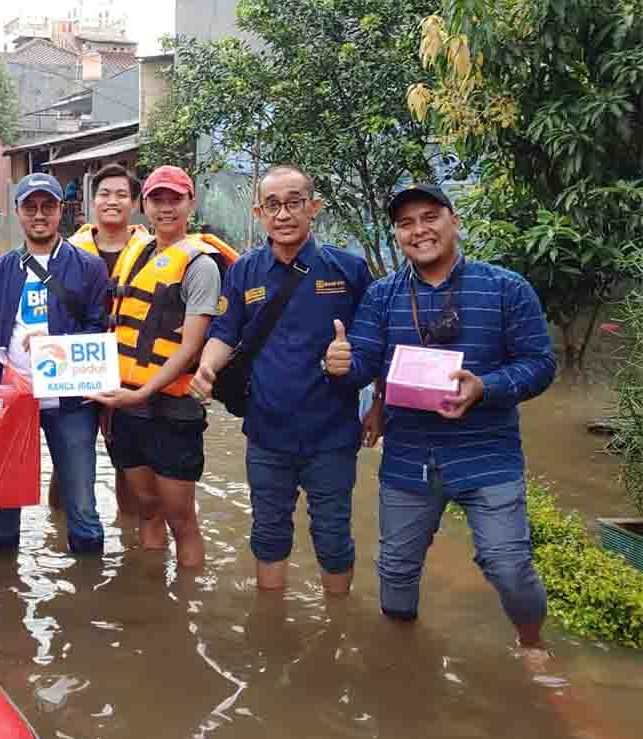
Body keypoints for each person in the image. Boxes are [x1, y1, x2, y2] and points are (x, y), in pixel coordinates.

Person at [324, 184, 555, 647]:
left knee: (509, 565)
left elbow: (540, 364)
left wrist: (485, 387)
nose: (419, 230)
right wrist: (341, 365)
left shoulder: (507, 288)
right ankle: (401, 650)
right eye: (406, 223)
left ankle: (532, 644)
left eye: (430, 217)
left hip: (487, 454)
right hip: (410, 455)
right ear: (397, 235)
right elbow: (366, 362)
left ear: (454, 221)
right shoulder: (383, 296)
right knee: (396, 568)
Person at [190, 165, 376, 594]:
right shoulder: (245, 271)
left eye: (294, 202)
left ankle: (338, 626)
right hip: (266, 432)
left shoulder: (349, 270)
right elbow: (224, 333)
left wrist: (374, 399)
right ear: (258, 213)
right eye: (272, 205)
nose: (284, 214)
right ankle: (270, 630)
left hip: (332, 433)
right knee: (269, 533)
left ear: (314, 207)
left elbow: (373, 345)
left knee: (332, 536)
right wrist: (208, 366)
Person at [90, 166, 236, 568]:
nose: (166, 208)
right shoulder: (135, 252)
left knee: (181, 518)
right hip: (126, 406)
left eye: (175, 199)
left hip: (172, 410)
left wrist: (141, 391)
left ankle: (186, 609)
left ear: (191, 203)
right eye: (157, 199)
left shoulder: (200, 265)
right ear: (145, 205)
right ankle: (151, 598)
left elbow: (190, 348)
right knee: (147, 508)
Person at [0, 173, 110, 554]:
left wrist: (58, 345)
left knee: (82, 504)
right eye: (30, 206)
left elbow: (98, 330)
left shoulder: (89, 267)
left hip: (71, 402)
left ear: (59, 210)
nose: (39, 215)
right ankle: (1, 589)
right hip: (12, 399)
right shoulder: (0, 269)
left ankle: (88, 592)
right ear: (18, 212)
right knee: (2, 505)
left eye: (47, 206)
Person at [65, 163, 155, 518]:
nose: (112, 201)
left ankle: (129, 533)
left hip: (129, 371)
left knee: (127, 463)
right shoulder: (69, 251)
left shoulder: (155, 250)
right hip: (76, 366)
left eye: (121, 194)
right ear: (92, 201)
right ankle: (61, 527)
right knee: (69, 457)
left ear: (134, 204)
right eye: (104, 193)